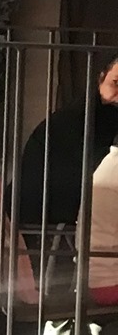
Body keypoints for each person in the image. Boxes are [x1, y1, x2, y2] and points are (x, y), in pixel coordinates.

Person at [15, 54, 118, 233]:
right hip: (47, 225)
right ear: (101, 78)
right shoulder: (77, 120)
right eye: (116, 83)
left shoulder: (98, 113)